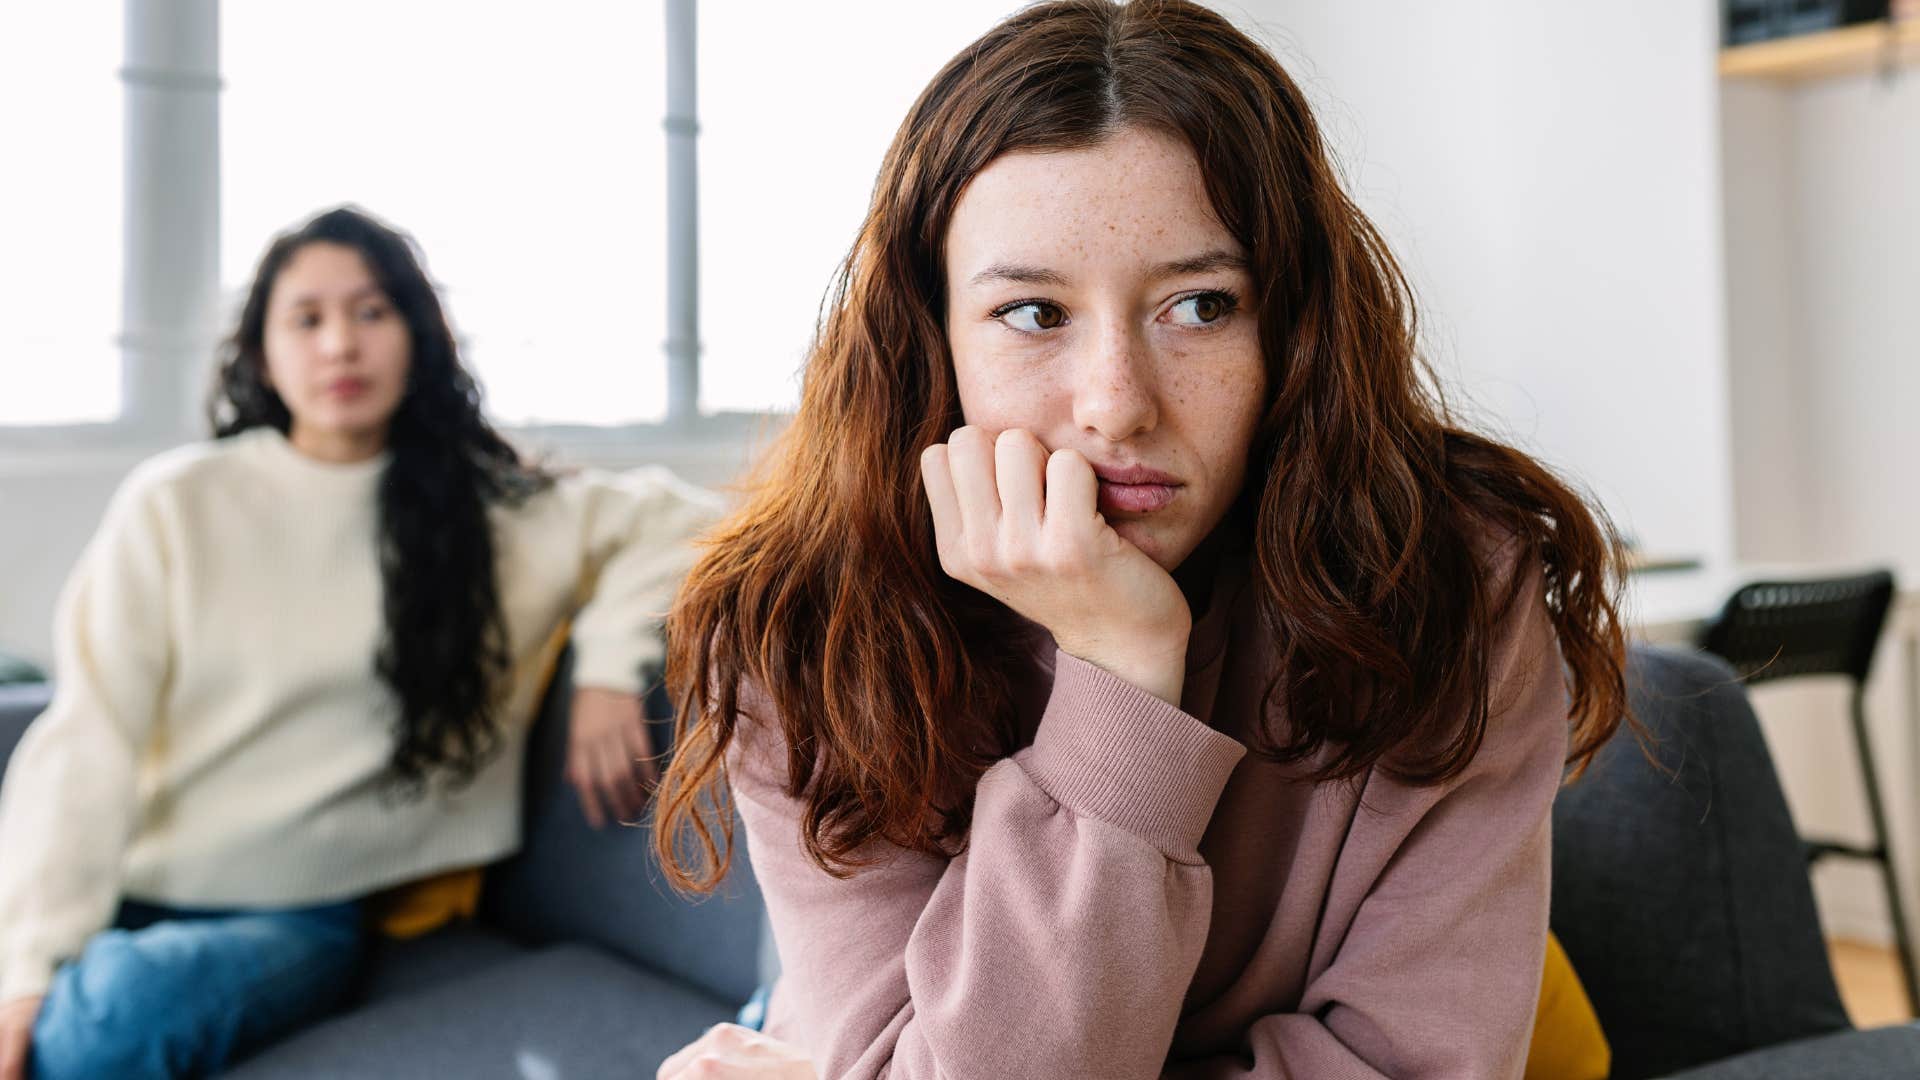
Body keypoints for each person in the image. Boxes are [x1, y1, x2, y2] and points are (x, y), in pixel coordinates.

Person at [651, 2, 1632, 1077]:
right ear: (932, 342)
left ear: (1293, 329)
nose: (1116, 405)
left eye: (1201, 305)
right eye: (1034, 314)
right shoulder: (800, 623)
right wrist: (1119, 671)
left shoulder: (1454, 581)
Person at [0, 206, 718, 1079]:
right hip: (130, 881)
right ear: (263, 351)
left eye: (372, 312)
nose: (341, 343)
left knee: (84, 1045)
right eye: (306, 318)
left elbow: (685, 520)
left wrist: (610, 666)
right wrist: (28, 966)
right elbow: (87, 740)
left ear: (418, 336)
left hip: (295, 910)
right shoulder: (178, 504)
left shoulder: (492, 510)